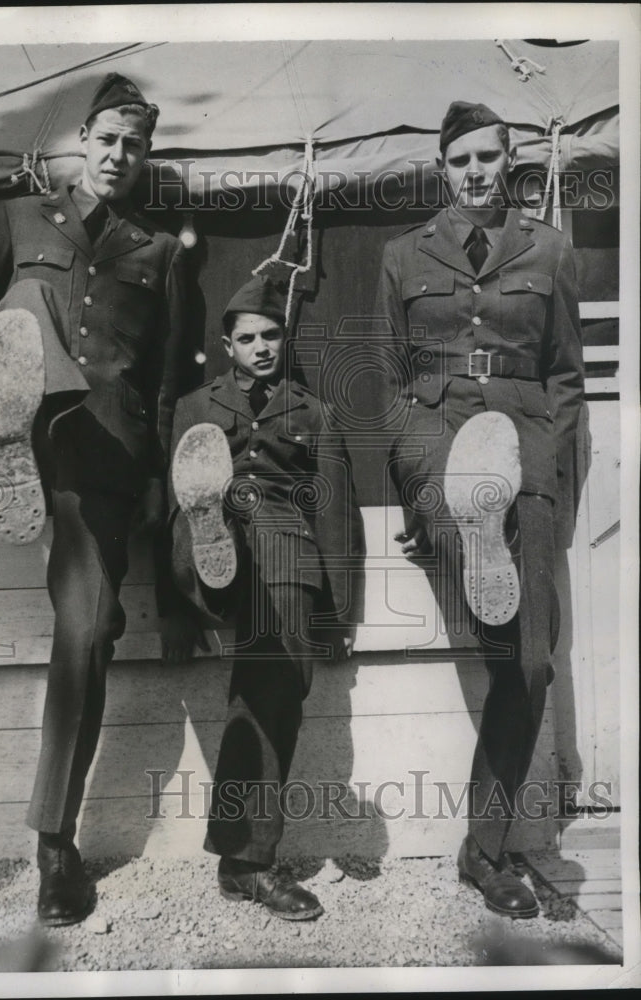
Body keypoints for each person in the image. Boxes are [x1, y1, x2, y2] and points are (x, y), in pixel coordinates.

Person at [0, 72, 201, 926]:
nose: (118, 155)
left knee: (88, 633)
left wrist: (164, 497)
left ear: (146, 156)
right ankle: (54, 848)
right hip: (36, 432)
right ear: (81, 142)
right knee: (25, 301)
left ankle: (54, 839)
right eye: (106, 138)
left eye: (135, 144)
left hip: (107, 461)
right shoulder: (20, 219)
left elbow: (171, 385)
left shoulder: (160, 253)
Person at [375, 101, 584, 918]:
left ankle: (480, 848)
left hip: (522, 445)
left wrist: (549, 473)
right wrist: (413, 463)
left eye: (487, 159)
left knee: (530, 663)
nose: (473, 173)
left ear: (509, 160)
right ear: (442, 167)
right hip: (439, 439)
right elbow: (387, 376)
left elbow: (566, 374)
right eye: (459, 161)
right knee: (506, 642)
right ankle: (493, 852)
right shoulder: (402, 254)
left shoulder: (553, 249)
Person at [167, 275, 366, 920]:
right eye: (246, 338)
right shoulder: (197, 407)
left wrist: (337, 609)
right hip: (216, 540)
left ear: (285, 339)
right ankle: (250, 863)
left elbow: (336, 510)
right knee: (266, 687)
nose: (260, 347)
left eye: (271, 335)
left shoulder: (310, 410)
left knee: (273, 693)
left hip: (286, 553)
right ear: (228, 345)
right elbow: (167, 509)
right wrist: (175, 609)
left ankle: (238, 856)